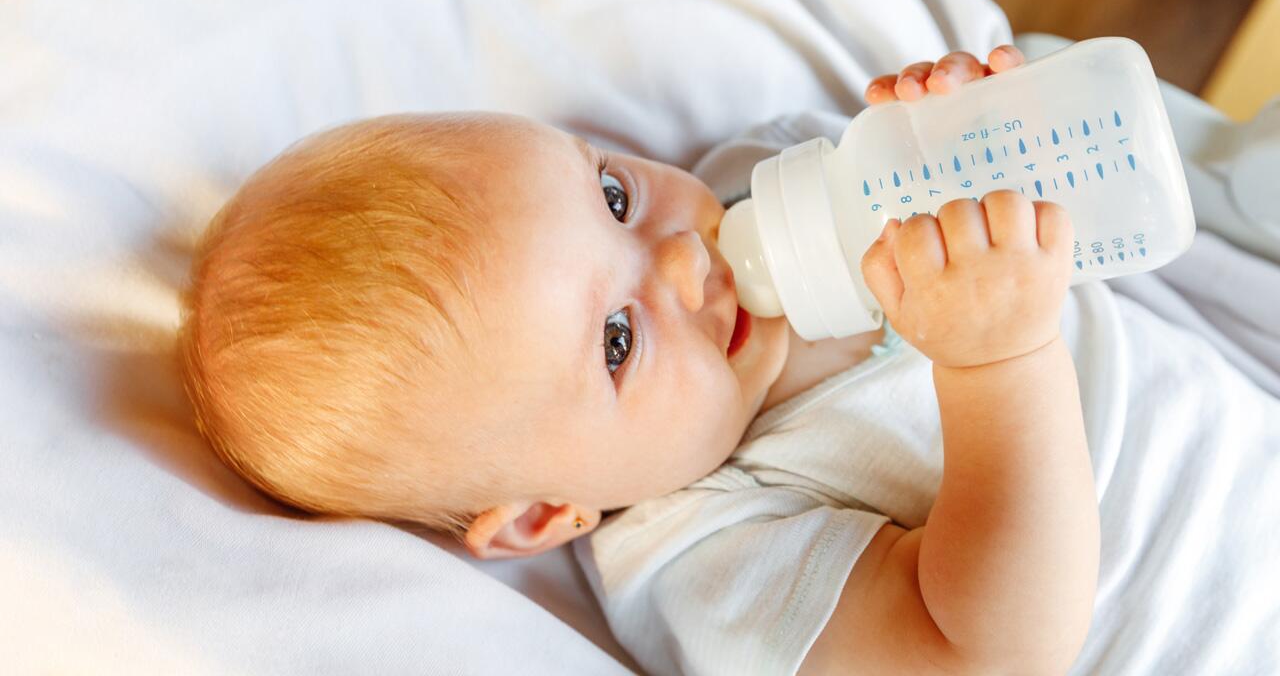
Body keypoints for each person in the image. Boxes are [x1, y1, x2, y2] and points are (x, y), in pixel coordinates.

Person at [178, 43, 1280, 675]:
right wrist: (996, 362)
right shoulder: (703, 554)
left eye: (610, 193)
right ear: (539, 516)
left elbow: (1052, 202)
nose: (677, 260)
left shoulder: (762, 172)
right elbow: (981, 654)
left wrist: (967, 129)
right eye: (615, 342)